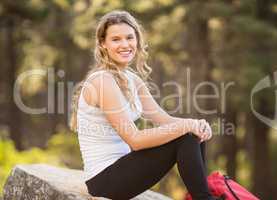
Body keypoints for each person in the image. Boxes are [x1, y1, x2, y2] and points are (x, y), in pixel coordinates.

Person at [70, 10, 215, 200]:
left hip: (122, 169)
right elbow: (135, 140)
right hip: (103, 181)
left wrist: (197, 124)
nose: (125, 44)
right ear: (103, 44)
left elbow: (166, 121)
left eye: (129, 37)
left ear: (137, 41)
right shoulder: (102, 81)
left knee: (192, 134)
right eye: (116, 39)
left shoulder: (132, 80)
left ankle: (203, 195)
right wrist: (187, 126)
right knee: (186, 135)